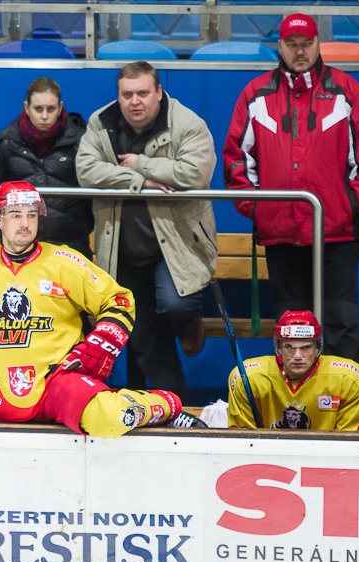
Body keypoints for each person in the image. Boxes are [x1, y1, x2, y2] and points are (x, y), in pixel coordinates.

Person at [0, 180, 206, 437]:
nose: (25, 223)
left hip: (57, 382)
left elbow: (119, 300)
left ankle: (166, 406)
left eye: (31, 215)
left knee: (110, 417)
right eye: (16, 215)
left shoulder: (64, 261)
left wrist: (103, 342)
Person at [223, 13, 359, 364]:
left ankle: (351, 399)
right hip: (282, 235)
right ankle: (296, 399)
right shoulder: (256, 95)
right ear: (280, 46)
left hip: (337, 233)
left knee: (341, 326)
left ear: (318, 44)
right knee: (292, 332)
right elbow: (235, 162)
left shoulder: (346, 91)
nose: (300, 51)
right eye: (292, 44)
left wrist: (349, 206)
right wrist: (261, 210)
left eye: (307, 44)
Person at [75, 60, 217, 403]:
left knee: (174, 306)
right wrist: (141, 181)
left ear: (159, 92)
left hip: (178, 246)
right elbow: (86, 171)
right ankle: (176, 405)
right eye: (127, 95)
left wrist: (142, 163)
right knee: (144, 334)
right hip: (121, 248)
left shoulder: (188, 123)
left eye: (142, 93)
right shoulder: (101, 122)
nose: (134, 101)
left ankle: (188, 324)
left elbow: (195, 174)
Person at [0, 77, 93, 258]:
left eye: (51, 109)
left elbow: (93, 198)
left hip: (71, 245)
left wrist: (78, 226)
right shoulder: (7, 144)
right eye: (38, 109)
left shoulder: (80, 142)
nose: (44, 116)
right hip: (17, 246)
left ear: (60, 107)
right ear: (27, 108)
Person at [228, 310, 359, 430]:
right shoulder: (248, 377)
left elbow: (354, 443)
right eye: (289, 347)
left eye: (306, 347)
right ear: (279, 348)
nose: (297, 356)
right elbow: (243, 441)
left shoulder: (348, 379)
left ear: (317, 348)